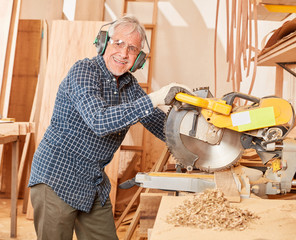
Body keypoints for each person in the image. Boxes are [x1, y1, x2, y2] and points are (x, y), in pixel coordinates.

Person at [28, 15, 191, 240]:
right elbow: (99, 121)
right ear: (103, 43)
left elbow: (161, 125)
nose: (124, 54)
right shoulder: (84, 72)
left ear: (139, 58)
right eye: (118, 43)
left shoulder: (129, 85)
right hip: (57, 177)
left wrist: (196, 135)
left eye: (132, 48)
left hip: (93, 181)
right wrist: (155, 97)